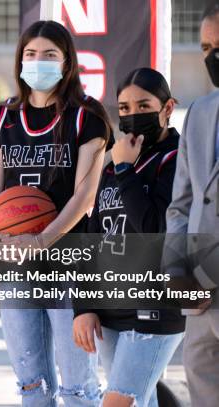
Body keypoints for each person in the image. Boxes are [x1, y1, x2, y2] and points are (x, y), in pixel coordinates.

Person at [0, 20, 111, 406]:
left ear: (67, 62)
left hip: (71, 262)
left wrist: (41, 240)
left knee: (78, 384)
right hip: (16, 262)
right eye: (31, 54)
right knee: (30, 383)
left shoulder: (89, 116)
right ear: (20, 60)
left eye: (49, 55)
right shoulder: (6, 116)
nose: (39, 61)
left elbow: (86, 195)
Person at [73, 68, 185, 407]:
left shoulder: (177, 159)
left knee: (119, 403)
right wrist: (84, 306)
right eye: (123, 108)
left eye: (143, 105)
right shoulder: (113, 165)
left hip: (155, 305)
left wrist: (125, 171)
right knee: (142, 402)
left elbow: (154, 229)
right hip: (110, 310)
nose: (132, 115)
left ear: (167, 108)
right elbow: (92, 239)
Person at [164, 4, 219, 407]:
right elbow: (182, 203)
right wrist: (175, 268)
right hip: (199, 290)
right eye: (206, 46)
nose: (212, 56)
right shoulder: (200, 112)